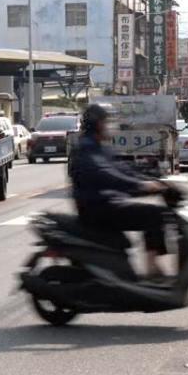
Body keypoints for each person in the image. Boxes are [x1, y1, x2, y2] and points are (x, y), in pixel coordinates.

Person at [69, 103, 170, 279]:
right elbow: (107, 174)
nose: (111, 126)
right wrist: (141, 186)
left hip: (106, 203)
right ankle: (152, 268)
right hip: (97, 208)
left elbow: (122, 169)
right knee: (155, 214)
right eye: (108, 122)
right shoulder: (87, 148)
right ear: (99, 124)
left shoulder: (99, 146)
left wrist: (151, 179)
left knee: (158, 213)